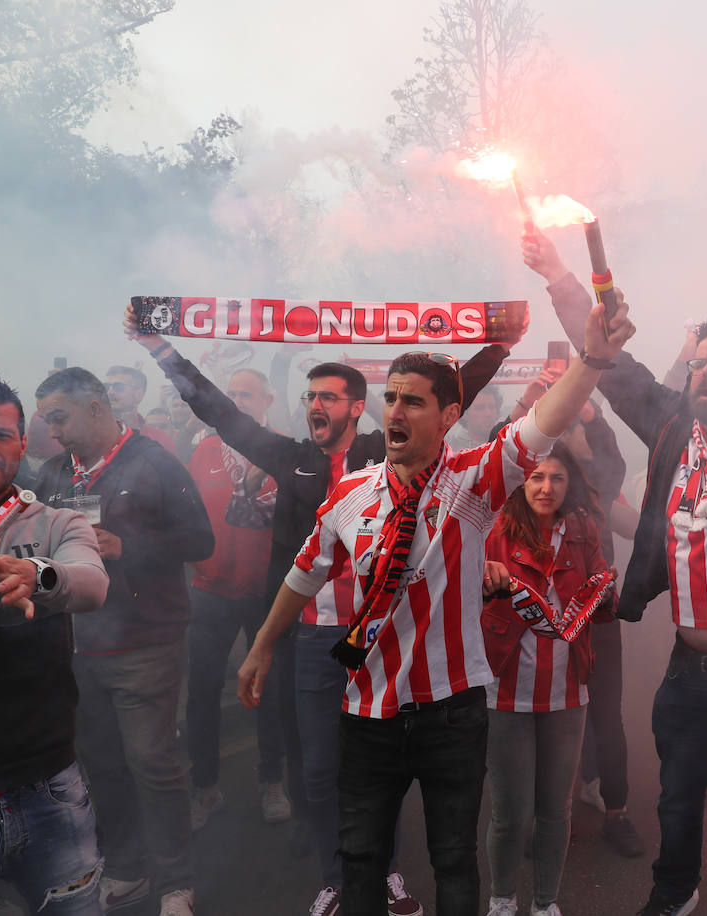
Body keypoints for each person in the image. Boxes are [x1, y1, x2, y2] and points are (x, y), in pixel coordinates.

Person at [235, 295, 634, 916]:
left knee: (452, 857)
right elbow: (303, 573)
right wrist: (261, 647)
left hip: (452, 710)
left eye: (413, 401)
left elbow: (543, 426)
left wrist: (591, 360)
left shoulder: (474, 482)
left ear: (448, 415)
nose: (395, 411)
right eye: (390, 398)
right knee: (362, 853)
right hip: (367, 709)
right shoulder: (350, 492)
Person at [125, 312, 514, 916]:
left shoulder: (383, 449)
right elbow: (220, 413)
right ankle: (338, 875)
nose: (315, 405)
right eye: (309, 396)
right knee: (317, 766)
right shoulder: (290, 458)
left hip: (380, 636)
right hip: (309, 638)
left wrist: (500, 345)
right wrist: (158, 348)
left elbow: (451, 393)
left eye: (328, 397)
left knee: (381, 770)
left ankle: (386, 875)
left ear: (358, 408)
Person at [524, 187, 707, 916]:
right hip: (689, 668)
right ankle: (674, 895)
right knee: (678, 798)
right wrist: (561, 278)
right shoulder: (665, 423)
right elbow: (609, 358)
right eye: (701, 364)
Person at [32, 367, 215, 916]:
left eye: (59, 417)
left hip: (145, 644)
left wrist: (126, 544)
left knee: (153, 765)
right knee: (102, 765)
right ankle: (128, 869)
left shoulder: (155, 460)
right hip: (77, 646)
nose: (53, 431)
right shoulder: (53, 473)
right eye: (45, 421)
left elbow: (200, 540)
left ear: (95, 408)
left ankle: (177, 882)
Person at [0, 374, 110, 915]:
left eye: (2, 435)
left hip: (48, 785)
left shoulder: (55, 522)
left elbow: (92, 584)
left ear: (24, 444)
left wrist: (37, 574)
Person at [481, 443, 616, 916]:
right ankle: (501, 900)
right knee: (510, 813)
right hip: (505, 690)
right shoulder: (495, 530)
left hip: (567, 691)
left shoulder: (582, 530)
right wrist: (483, 582)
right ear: (521, 481)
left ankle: (545, 903)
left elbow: (603, 597)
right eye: (536, 476)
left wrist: (607, 590)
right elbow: (459, 593)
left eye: (556, 478)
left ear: (568, 484)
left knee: (556, 810)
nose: (546, 487)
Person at [183, 368, 291, 831]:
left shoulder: (286, 449)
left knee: (269, 690)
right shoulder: (204, 449)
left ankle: (272, 780)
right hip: (209, 591)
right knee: (203, 693)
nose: (238, 401)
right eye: (232, 394)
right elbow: (188, 514)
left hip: (268, 592)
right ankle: (205, 787)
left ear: (266, 400)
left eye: (247, 394)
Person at [105, 365, 178, 455]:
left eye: (119, 387)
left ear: (139, 393)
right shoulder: (93, 437)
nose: (110, 392)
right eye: (107, 387)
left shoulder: (160, 439)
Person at [448, 386, 503, 451]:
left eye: (491, 407)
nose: (488, 413)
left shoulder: (506, 444)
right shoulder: (452, 449)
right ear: (465, 414)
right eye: (480, 408)